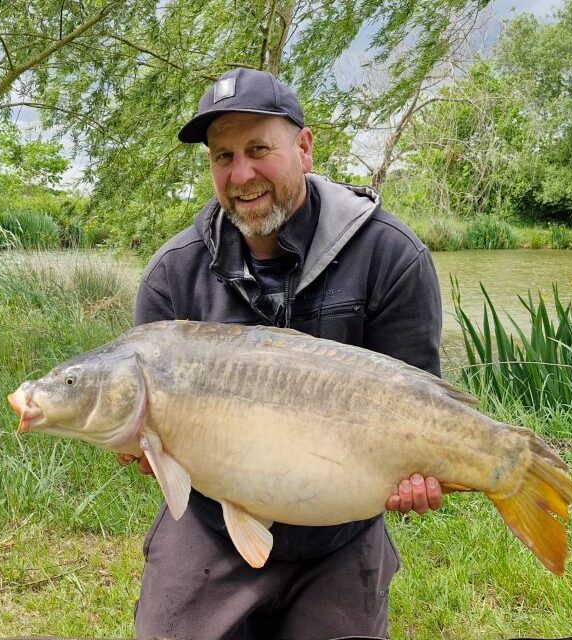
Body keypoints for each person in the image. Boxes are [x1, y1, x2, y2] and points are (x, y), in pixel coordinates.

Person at [121, 67, 444, 640]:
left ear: (303, 147)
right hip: (213, 519)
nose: (241, 175)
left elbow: (420, 402)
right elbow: (156, 441)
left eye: (258, 149)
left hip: (339, 525)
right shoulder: (174, 274)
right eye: (222, 157)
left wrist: (422, 470)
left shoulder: (392, 256)